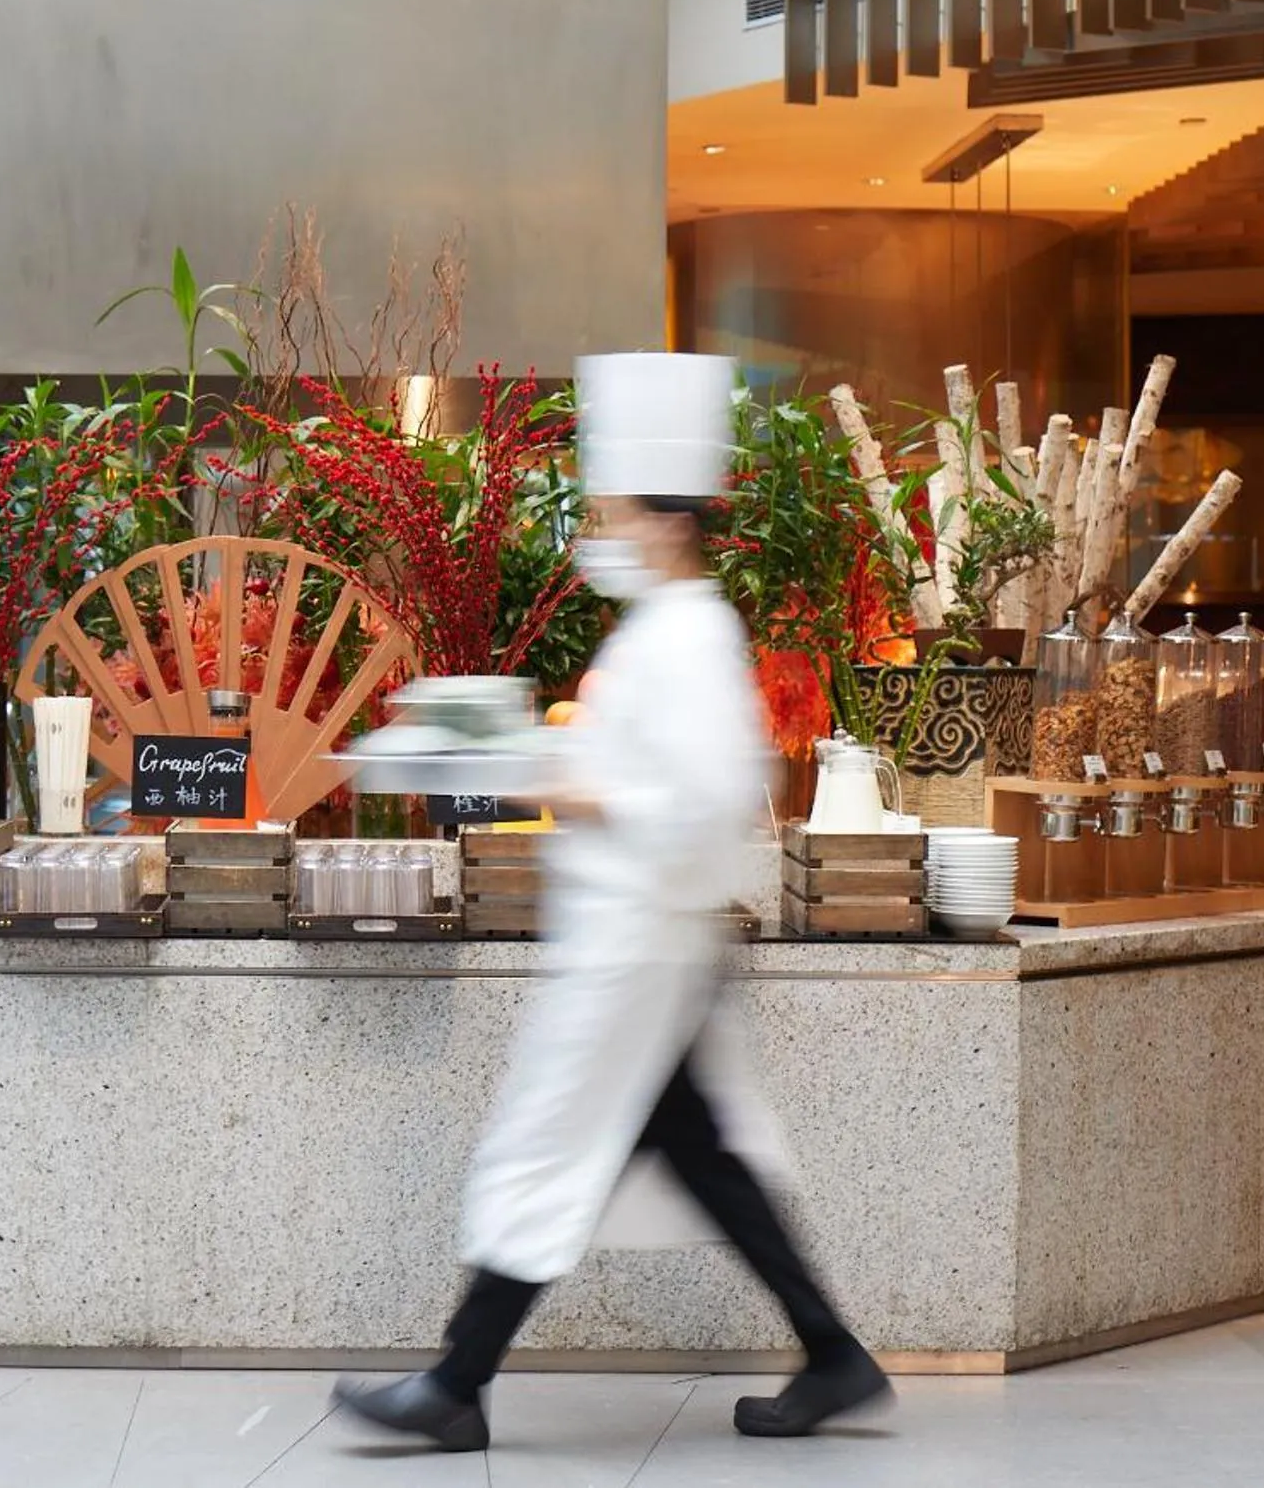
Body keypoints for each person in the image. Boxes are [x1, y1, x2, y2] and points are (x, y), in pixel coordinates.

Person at [332, 352, 889, 1454]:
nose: (596, 522)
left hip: (637, 942)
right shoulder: (664, 628)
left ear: (663, 519)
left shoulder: (687, 634)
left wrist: (562, 785)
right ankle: (833, 1353)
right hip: (639, 940)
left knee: (544, 1138)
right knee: (697, 1149)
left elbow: (714, 795)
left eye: (608, 505)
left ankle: (455, 1381)